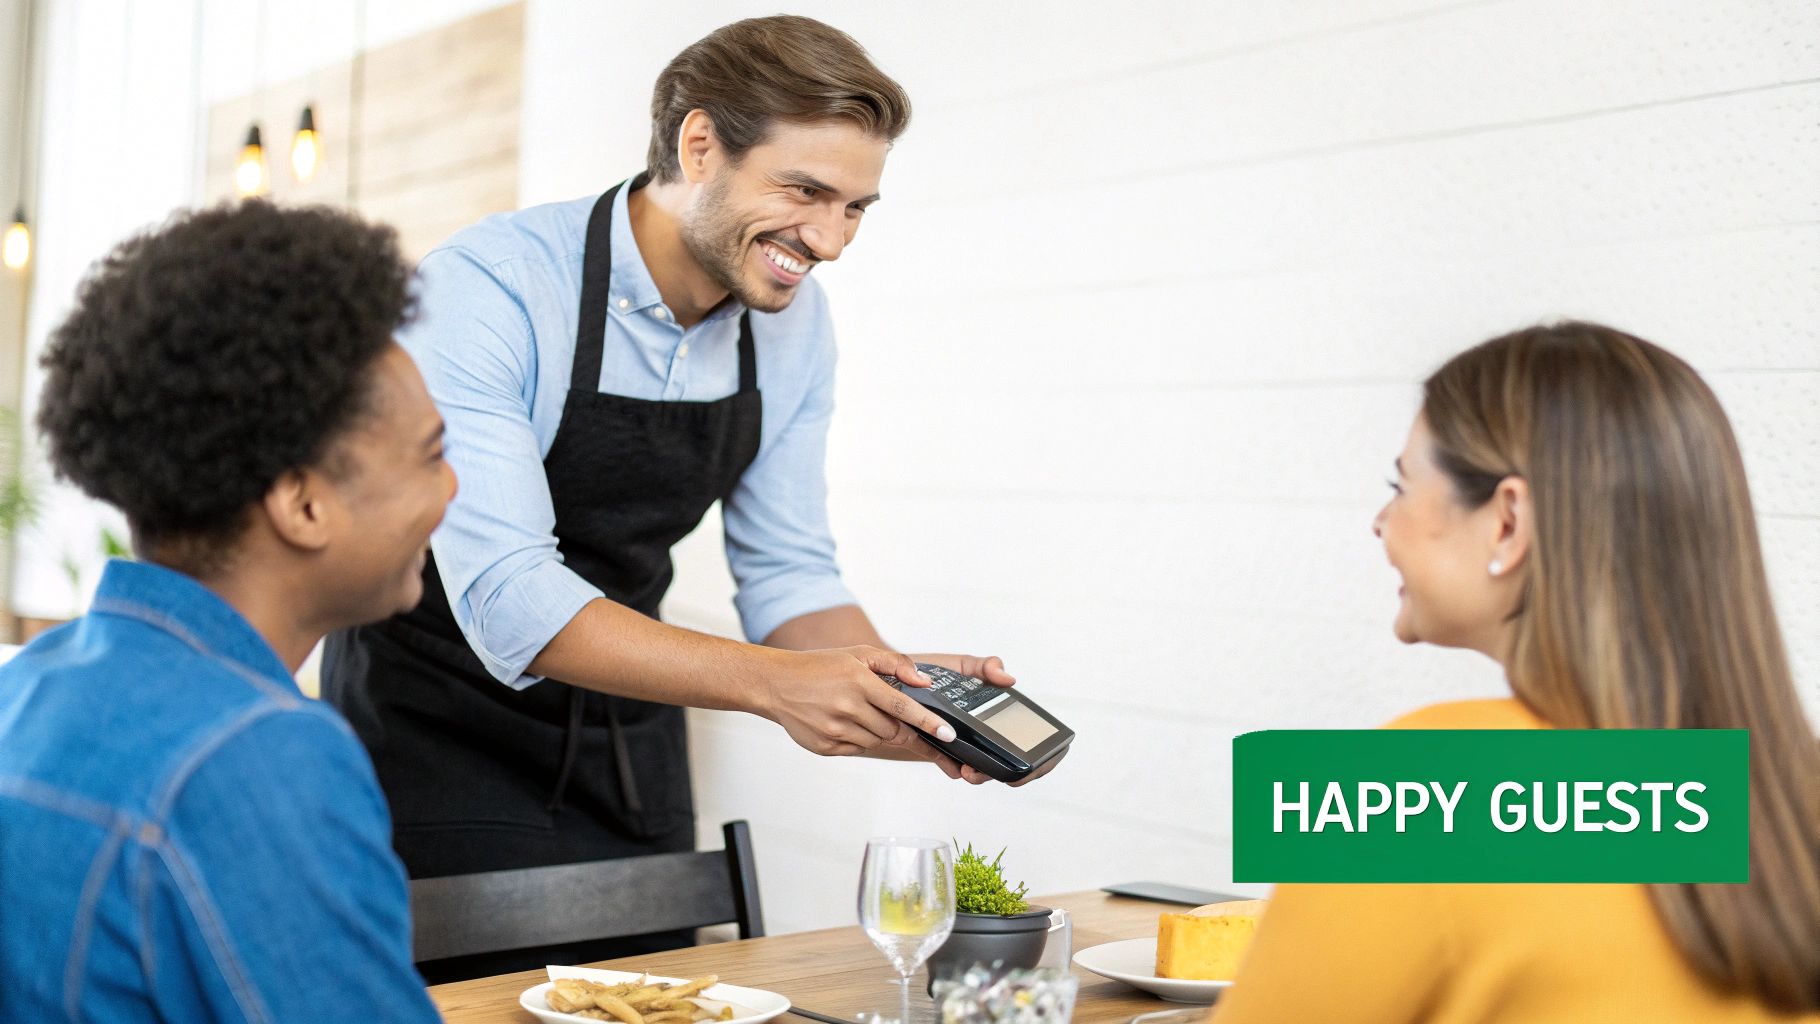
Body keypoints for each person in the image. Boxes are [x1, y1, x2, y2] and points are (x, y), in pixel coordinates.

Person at [322, 15, 1052, 975]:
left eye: (857, 209)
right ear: (698, 145)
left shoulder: (792, 328)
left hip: (629, 750)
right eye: (805, 191)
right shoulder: (491, 288)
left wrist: (895, 694)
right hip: (436, 742)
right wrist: (777, 687)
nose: (829, 241)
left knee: (659, 999)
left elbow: (789, 572)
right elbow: (509, 600)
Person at [1212, 322, 1820, 1022]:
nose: (1383, 521)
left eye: (1401, 485)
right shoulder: (1788, 792)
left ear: (1507, 522)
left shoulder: (1419, 791)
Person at [0, 201, 452, 1023]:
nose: (452, 491)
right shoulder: (262, 755)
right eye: (432, 456)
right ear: (301, 503)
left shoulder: (24, 687)